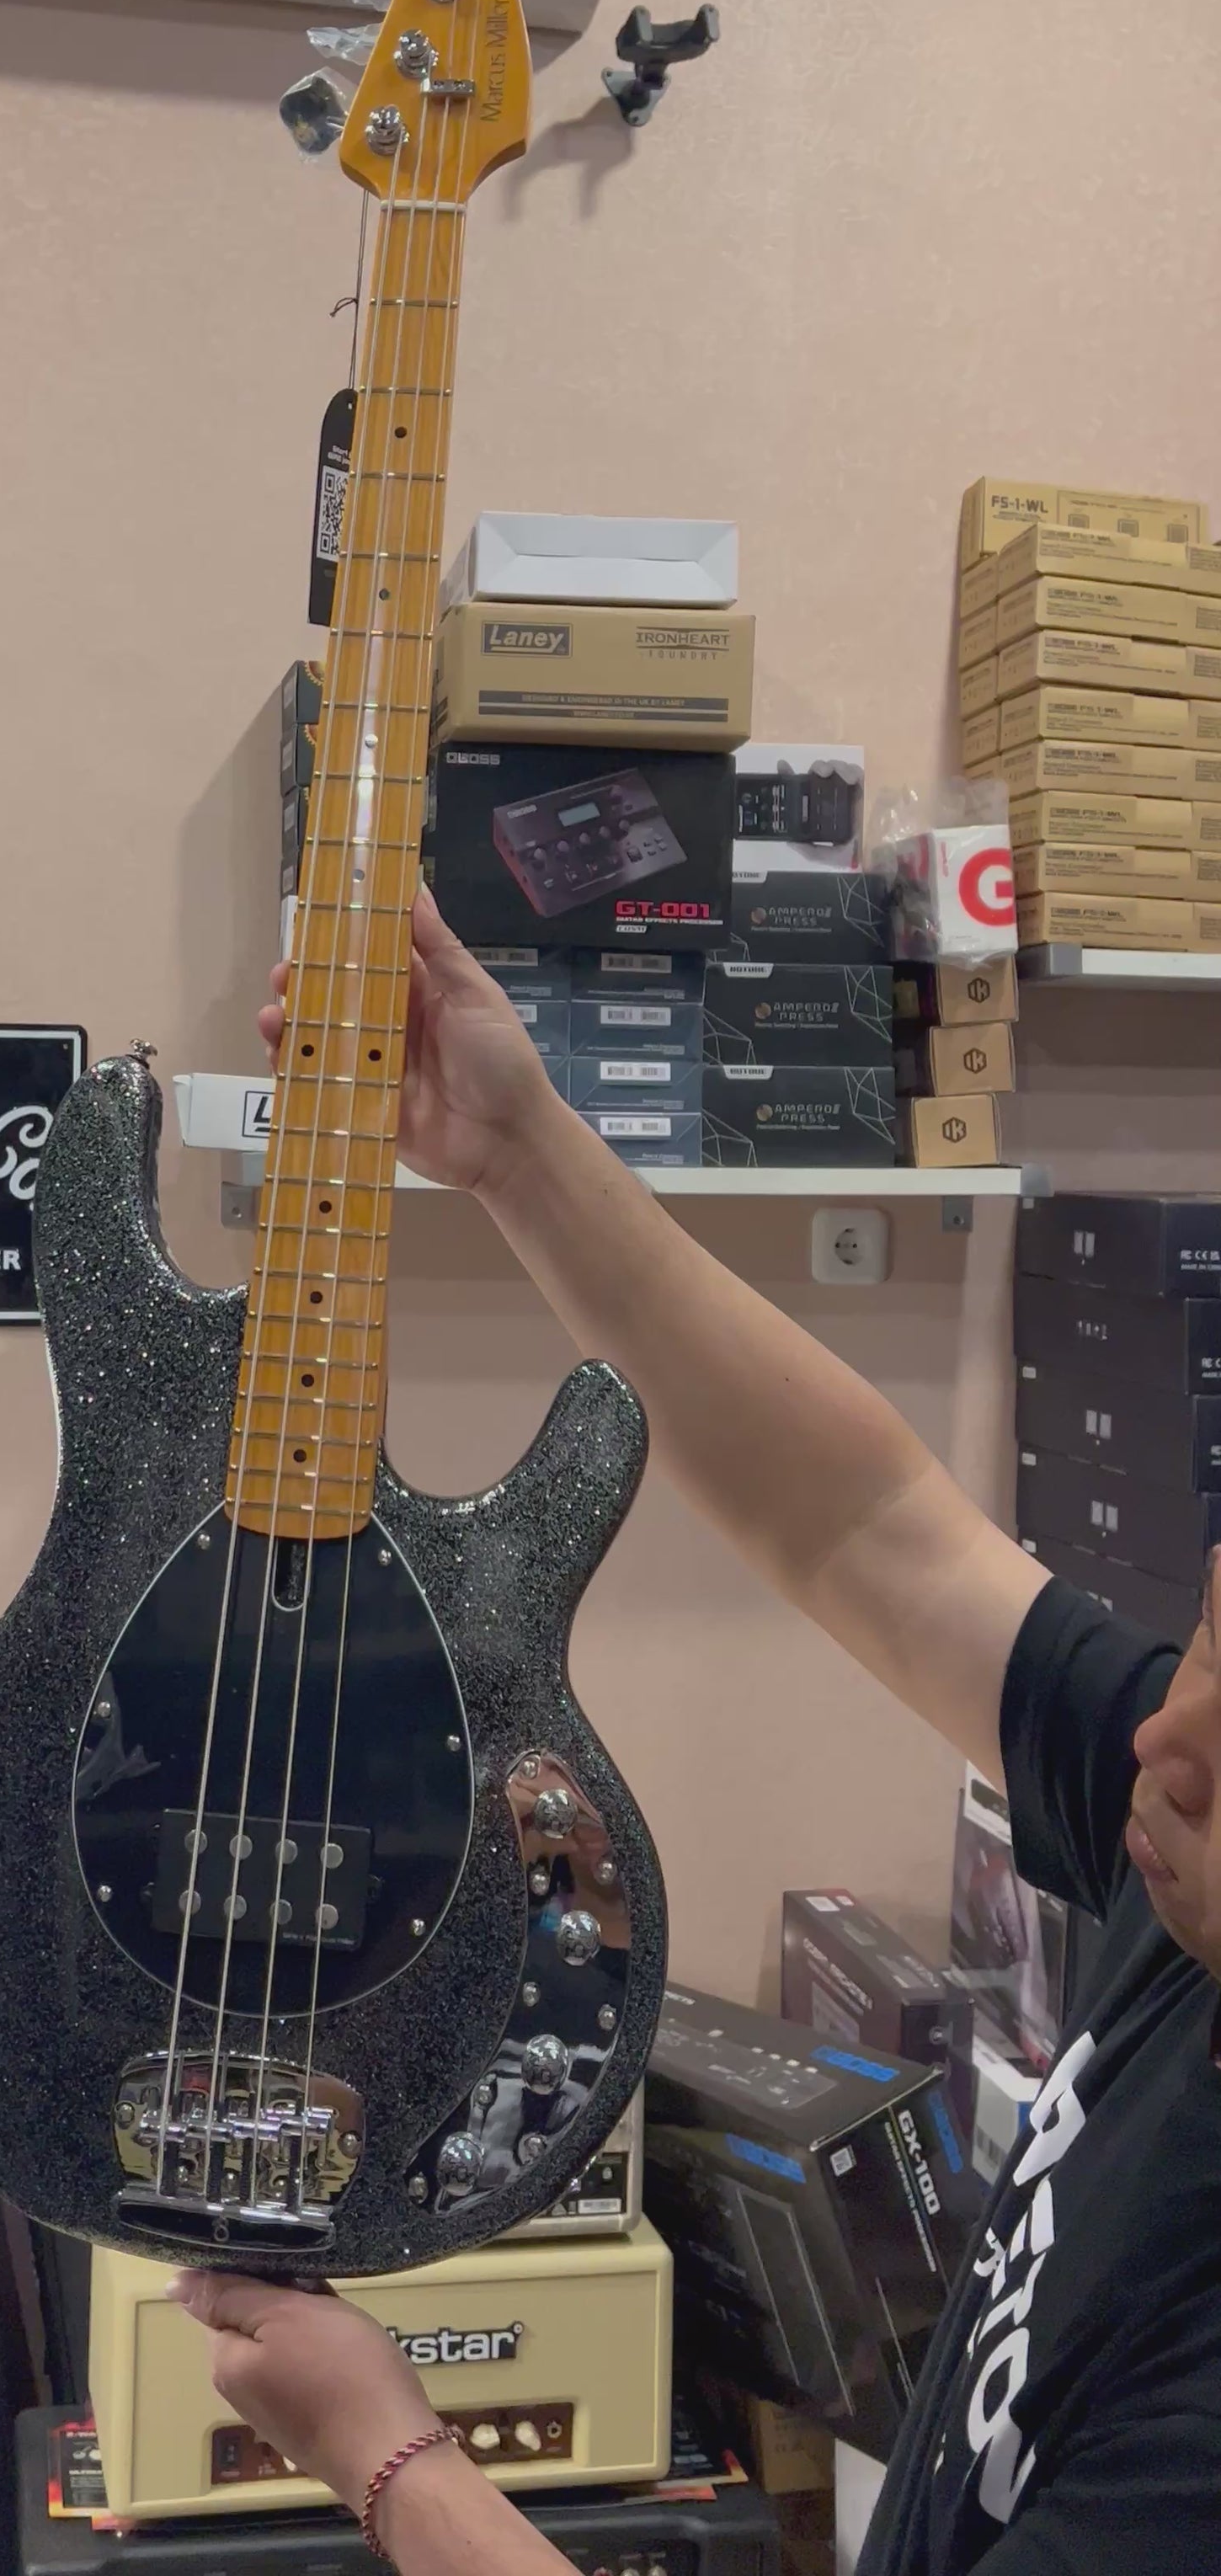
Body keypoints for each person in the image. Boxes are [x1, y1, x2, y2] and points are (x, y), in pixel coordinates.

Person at [173, 891, 1221, 2574]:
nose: (1165, 1742)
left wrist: (392, 2460)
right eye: (1212, 1633)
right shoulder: (1192, 1860)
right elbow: (870, 1530)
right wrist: (516, 1149)